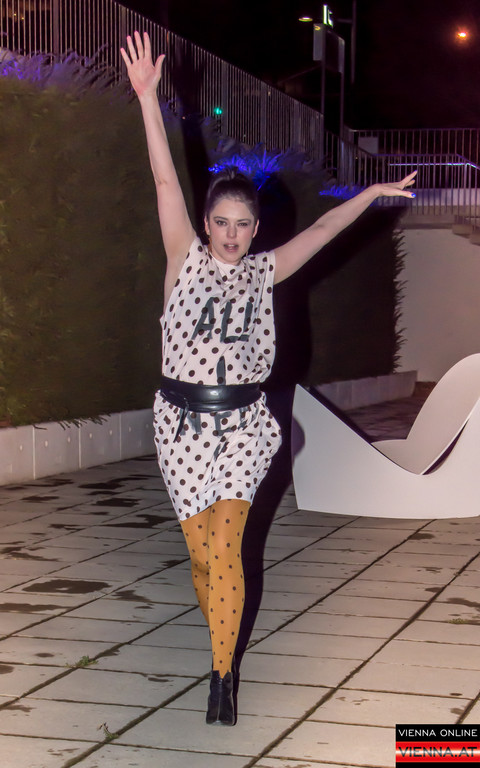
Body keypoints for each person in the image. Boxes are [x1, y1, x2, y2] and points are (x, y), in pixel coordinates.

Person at [120, 30, 416, 727]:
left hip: (245, 427)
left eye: (242, 225)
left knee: (229, 548)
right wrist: (147, 100)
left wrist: (372, 192)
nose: (231, 234)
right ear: (205, 224)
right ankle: (222, 647)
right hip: (181, 426)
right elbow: (165, 182)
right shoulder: (182, 259)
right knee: (204, 560)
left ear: (256, 230)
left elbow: (325, 232)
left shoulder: (265, 270)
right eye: (221, 222)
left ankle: (222, 675)